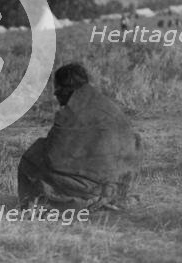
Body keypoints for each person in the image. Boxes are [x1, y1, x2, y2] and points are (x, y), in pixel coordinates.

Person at [18, 63, 141, 210]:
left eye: (57, 88)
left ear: (65, 90)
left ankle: (37, 205)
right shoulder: (106, 104)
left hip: (94, 186)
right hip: (121, 182)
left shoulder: (69, 114)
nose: (55, 94)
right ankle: (106, 197)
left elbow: (53, 158)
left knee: (32, 157)